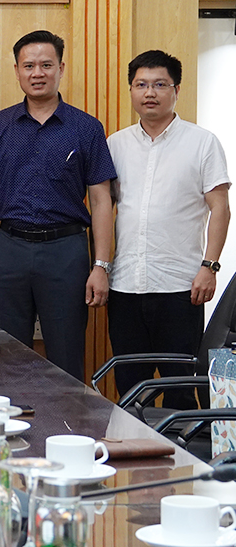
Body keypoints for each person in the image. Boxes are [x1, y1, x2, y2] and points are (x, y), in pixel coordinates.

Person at [0, 30, 116, 381]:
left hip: (65, 252)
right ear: (17, 71)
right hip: (9, 249)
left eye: (46, 65)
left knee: (66, 356)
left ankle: (68, 418)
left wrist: (101, 265)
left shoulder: (86, 128)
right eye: (29, 66)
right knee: (8, 356)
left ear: (61, 68)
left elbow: (101, 200)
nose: (37, 73)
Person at [107, 50, 230, 406]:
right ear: (131, 90)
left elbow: (220, 209)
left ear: (176, 90)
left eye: (160, 84)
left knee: (180, 389)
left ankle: (181, 444)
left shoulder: (202, 142)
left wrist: (210, 267)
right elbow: (103, 208)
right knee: (130, 390)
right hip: (125, 286)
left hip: (180, 287)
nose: (150, 93)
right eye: (141, 85)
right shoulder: (115, 144)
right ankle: (134, 443)